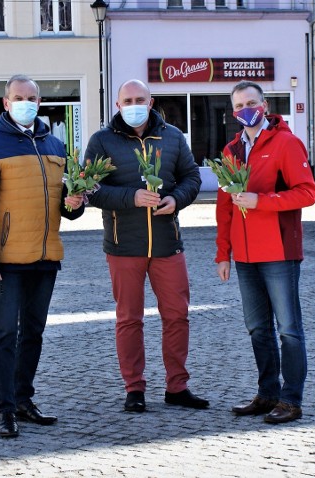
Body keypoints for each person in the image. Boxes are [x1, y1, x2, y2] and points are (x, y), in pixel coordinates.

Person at [0, 74, 85, 439]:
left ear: (39, 101)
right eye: (18, 97)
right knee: (6, 334)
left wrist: (75, 204)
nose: (26, 102)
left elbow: (67, 208)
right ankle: (4, 411)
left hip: (46, 255)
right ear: (5, 103)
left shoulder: (55, 145)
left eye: (32, 96)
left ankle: (23, 400)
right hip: (6, 259)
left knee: (33, 332)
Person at [83, 79, 208, 413]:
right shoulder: (102, 141)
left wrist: (176, 198)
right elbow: (91, 190)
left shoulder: (173, 136)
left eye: (140, 99)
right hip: (124, 245)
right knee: (129, 319)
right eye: (127, 100)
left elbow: (192, 178)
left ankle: (177, 387)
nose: (134, 104)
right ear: (117, 105)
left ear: (151, 102)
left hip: (168, 243)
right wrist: (131, 197)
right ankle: (134, 388)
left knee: (178, 316)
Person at [214, 80, 315, 424]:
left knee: (288, 328)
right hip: (244, 256)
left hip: (278, 251)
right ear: (233, 112)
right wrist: (223, 253)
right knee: (258, 328)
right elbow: (225, 208)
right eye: (240, 105)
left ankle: (291, 400)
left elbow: (307, 193)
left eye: (252, 103)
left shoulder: (286, 143)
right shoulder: (231, 152)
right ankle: (267, 393)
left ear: (265, 104)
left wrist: (263, 202)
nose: (247, 109)